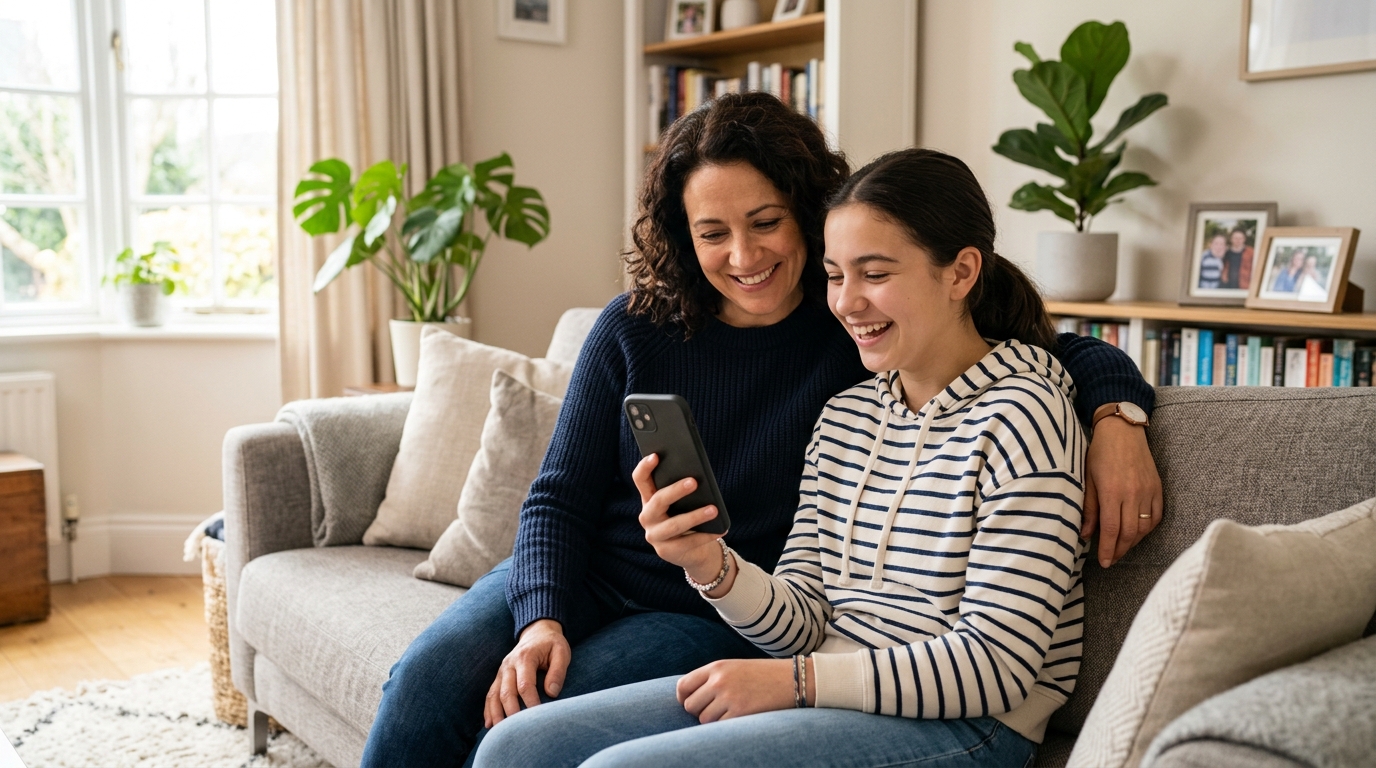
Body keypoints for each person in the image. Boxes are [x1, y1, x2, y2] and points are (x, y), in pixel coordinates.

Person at [360, 94, 1159, 768]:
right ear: (683, 235)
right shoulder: (668, 336)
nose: (743, 255)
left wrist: (1117, 413)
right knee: (430, 680)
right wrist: (547, 615)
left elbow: (1041, 352)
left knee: (530, 725)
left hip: (708, 619)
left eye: (766, 222)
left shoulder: (863, 337)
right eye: (713, 233)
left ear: (810, 215)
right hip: (644, 576)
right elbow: (558, 497)